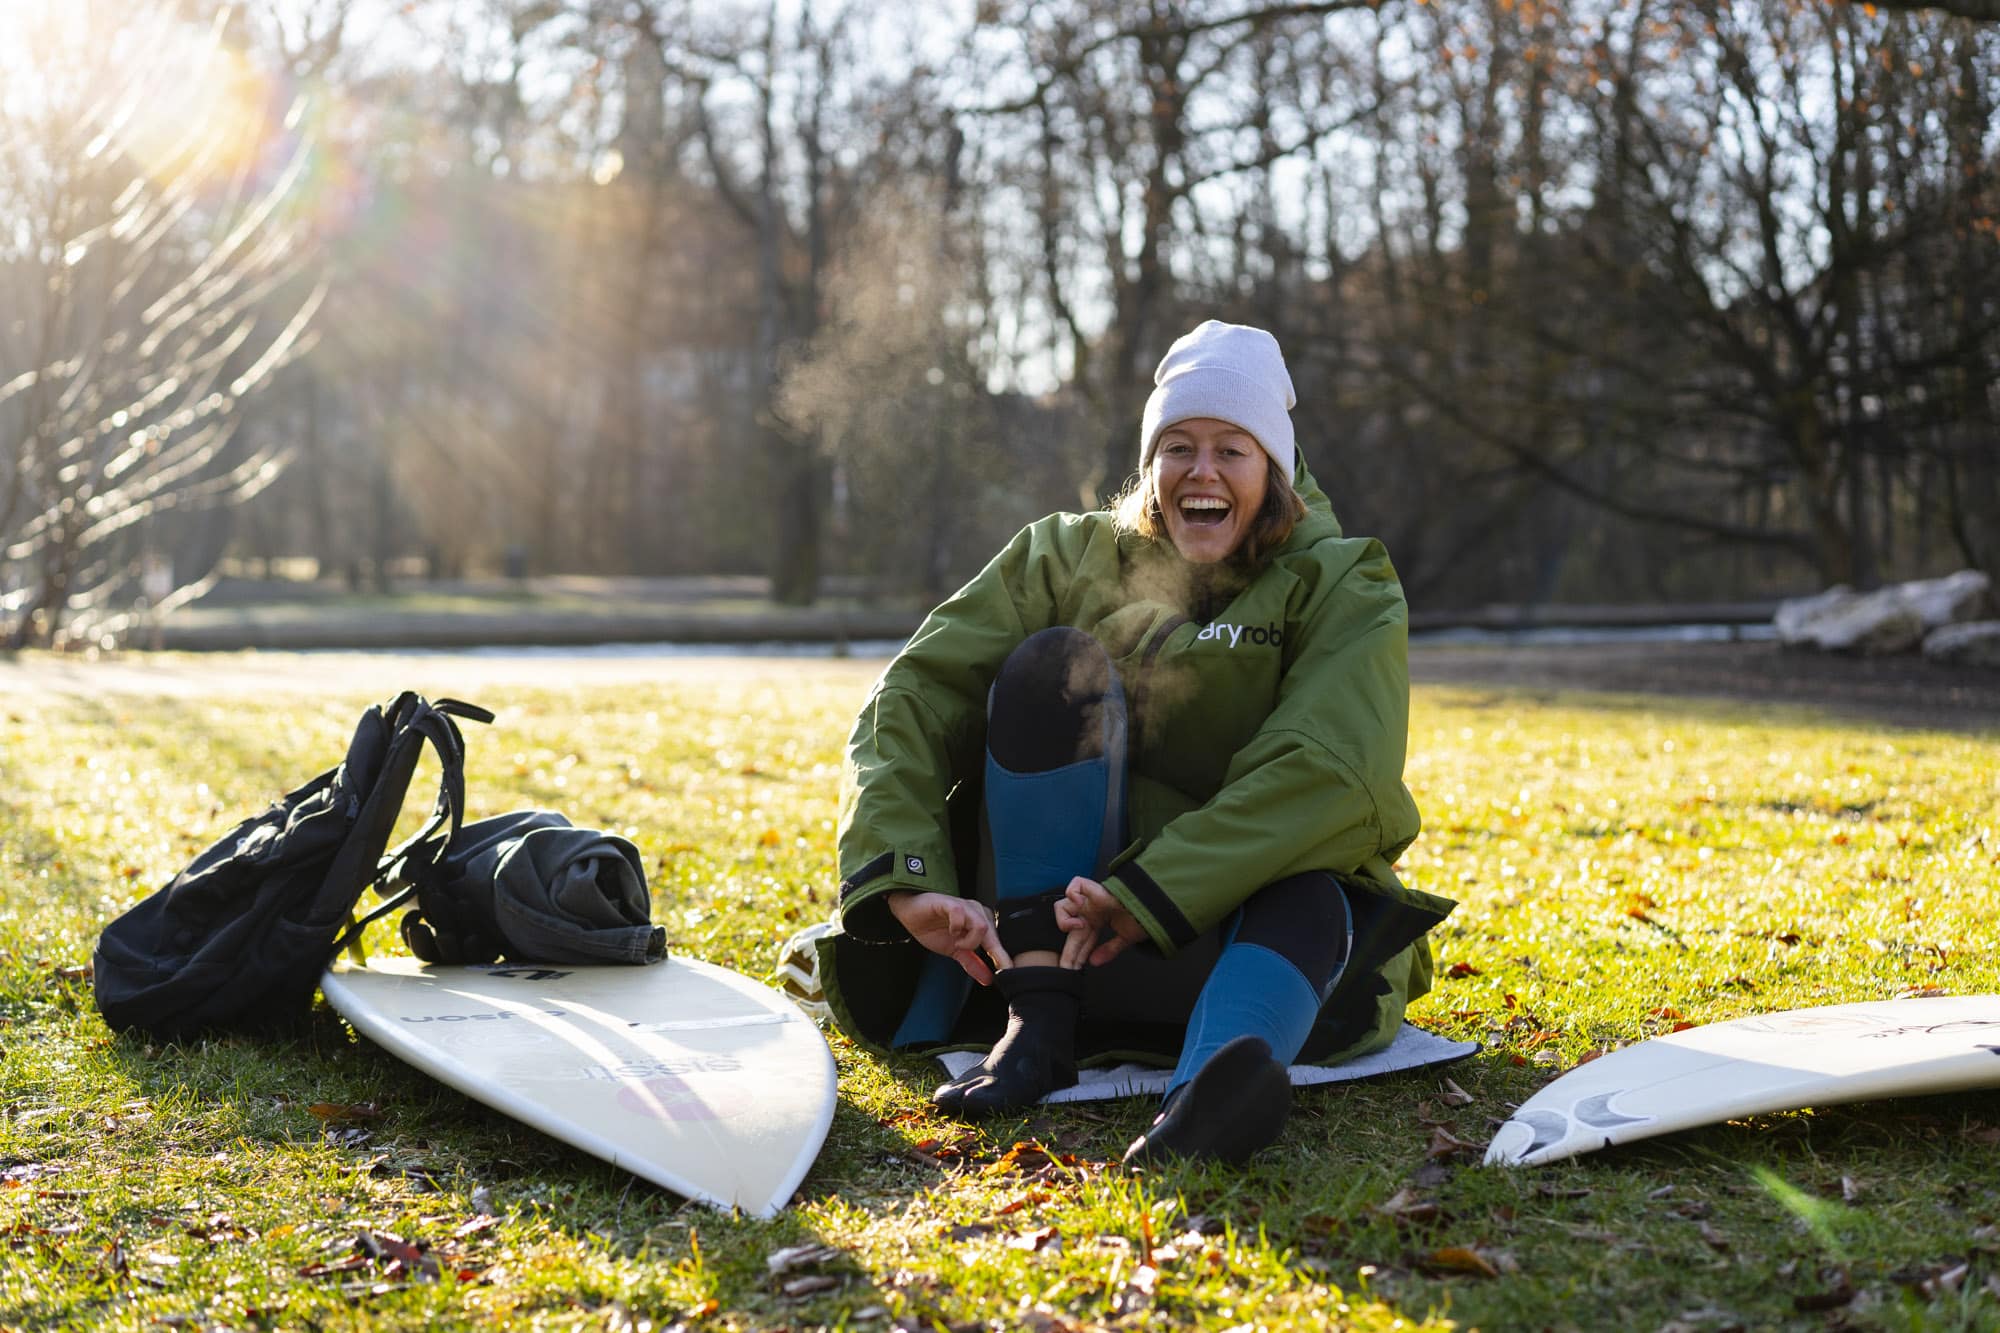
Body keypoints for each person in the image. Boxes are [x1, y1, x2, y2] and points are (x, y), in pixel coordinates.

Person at [811, 320, 1454, 1163]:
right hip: (1045, 944)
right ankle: (1036, 1032)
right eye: (1178, 445)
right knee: (1050, 667)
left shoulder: (1343, 580)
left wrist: (1151, 891)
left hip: (1248, 955)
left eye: (1234, 448)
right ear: (1150, 463)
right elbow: (914, 693)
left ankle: (1205, 1100)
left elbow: (1332, 771)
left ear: (1277, 468)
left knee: (1311, 885)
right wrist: (905, 878)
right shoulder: (1063, 556)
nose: (1202, 469)